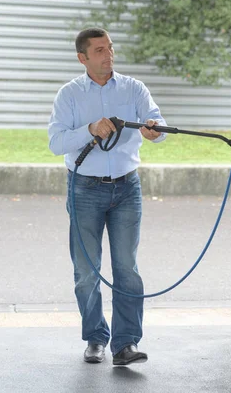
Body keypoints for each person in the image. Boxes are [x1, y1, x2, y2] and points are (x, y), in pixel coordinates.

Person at [48, 27, 166, 366]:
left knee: (127, 268)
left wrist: (154, 129)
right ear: (82, 58)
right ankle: (95, 339)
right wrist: (89, 130)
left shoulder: (134, 88)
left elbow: (158, 124)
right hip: (84, 189)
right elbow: (56, 143)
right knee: (86, 271)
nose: (108, 54)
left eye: (110, 47)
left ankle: (126, 344)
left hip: (127, 188)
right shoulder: (69, 96)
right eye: (99, 50)